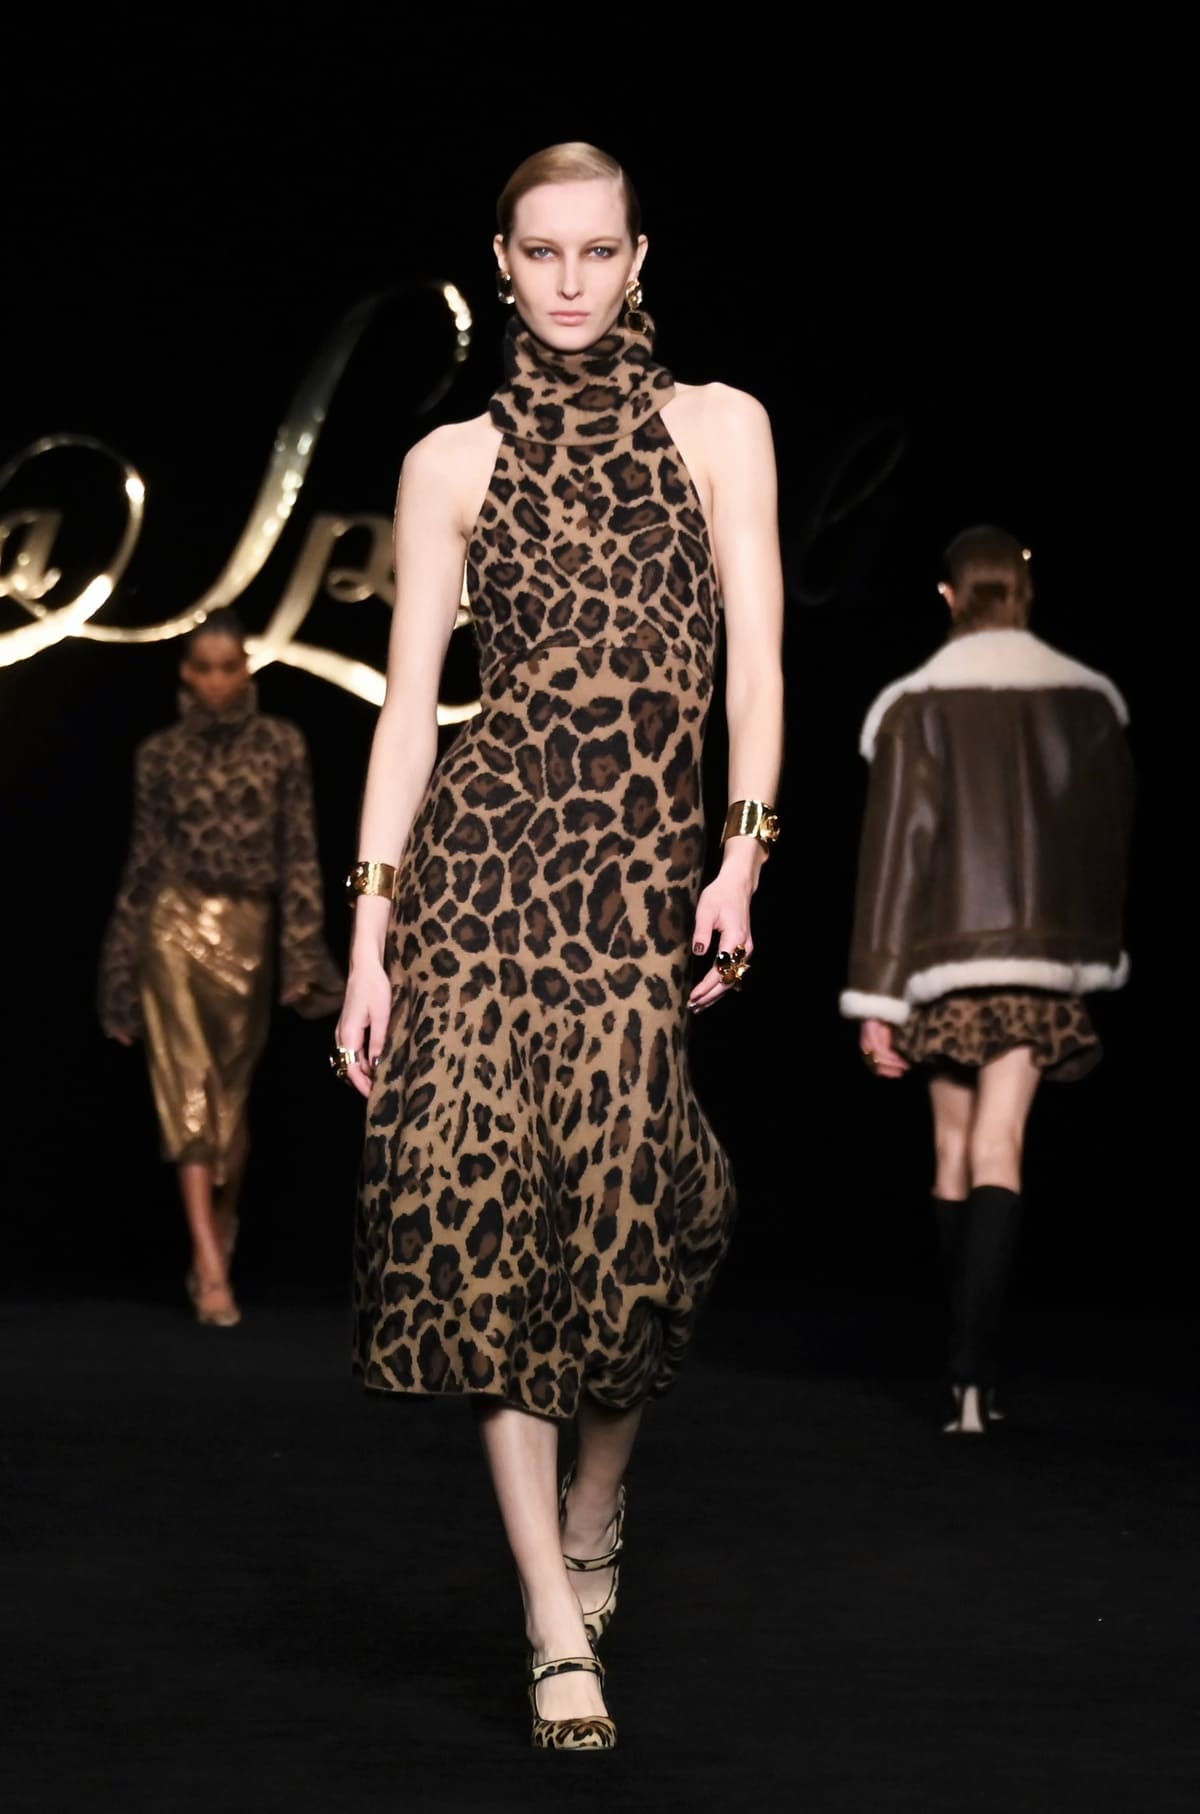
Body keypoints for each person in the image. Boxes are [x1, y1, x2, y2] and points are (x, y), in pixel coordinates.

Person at [332, 140, 785, 1749]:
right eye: (544, 253)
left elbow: (757, 661)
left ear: (640, 257)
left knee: (638, 1222)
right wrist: (372, 933)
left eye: (599, 250)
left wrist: (742, 855)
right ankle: (549, 1616)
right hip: (479, 882)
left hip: (633, 893)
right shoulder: (450, 459)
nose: (573, 279)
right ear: (505, 264)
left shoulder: (719, 426)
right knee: (481, 1226)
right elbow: (410, 709)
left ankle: (600, 1499)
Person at [839, 524, 1134, 1435]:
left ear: (949, 596)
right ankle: (977, 1382)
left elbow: (894, 859)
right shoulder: (1089, 703)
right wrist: (1083, 953)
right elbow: (1106, 848)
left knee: (952, 1152)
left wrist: (878, 1001)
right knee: (1003, 1146)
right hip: (1036, 970)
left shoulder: (914, 705)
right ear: (1025, 592)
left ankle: (957, 1380)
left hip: (942, 966)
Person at [98, 608, 344, 1328]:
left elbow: (301, 853)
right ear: (185, 672)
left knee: (230, 1103)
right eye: (202, 668)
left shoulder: (281, 745)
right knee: (187, 1091)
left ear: (246, 668)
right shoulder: (160, 754)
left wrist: (302, 951)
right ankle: (209, 1266)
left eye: (227, 666)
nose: (215, 680)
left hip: (248, 933)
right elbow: (143, 860)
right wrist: (119, 972)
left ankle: (222, 1223)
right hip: (171, 925)